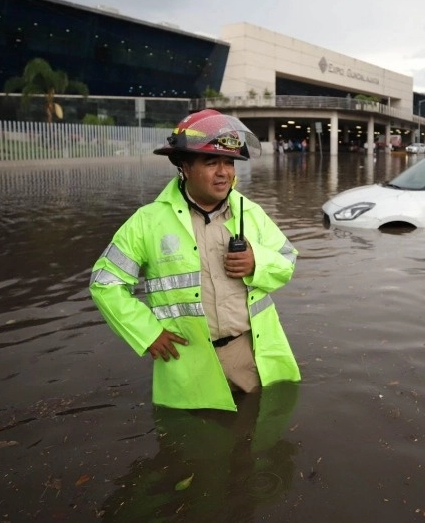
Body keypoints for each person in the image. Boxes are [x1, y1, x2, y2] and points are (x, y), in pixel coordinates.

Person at [89, 109, 300, 411]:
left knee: (257, 440)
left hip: (248, 353)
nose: (223, 172)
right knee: (196, 444)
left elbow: (287, 259)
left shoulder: (250, 213)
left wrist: (258, 264)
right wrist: (149, 333)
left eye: (229, 162)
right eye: (211, 162)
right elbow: (104, 283)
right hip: (186, 361)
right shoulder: (147, 222)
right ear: (185, 166)